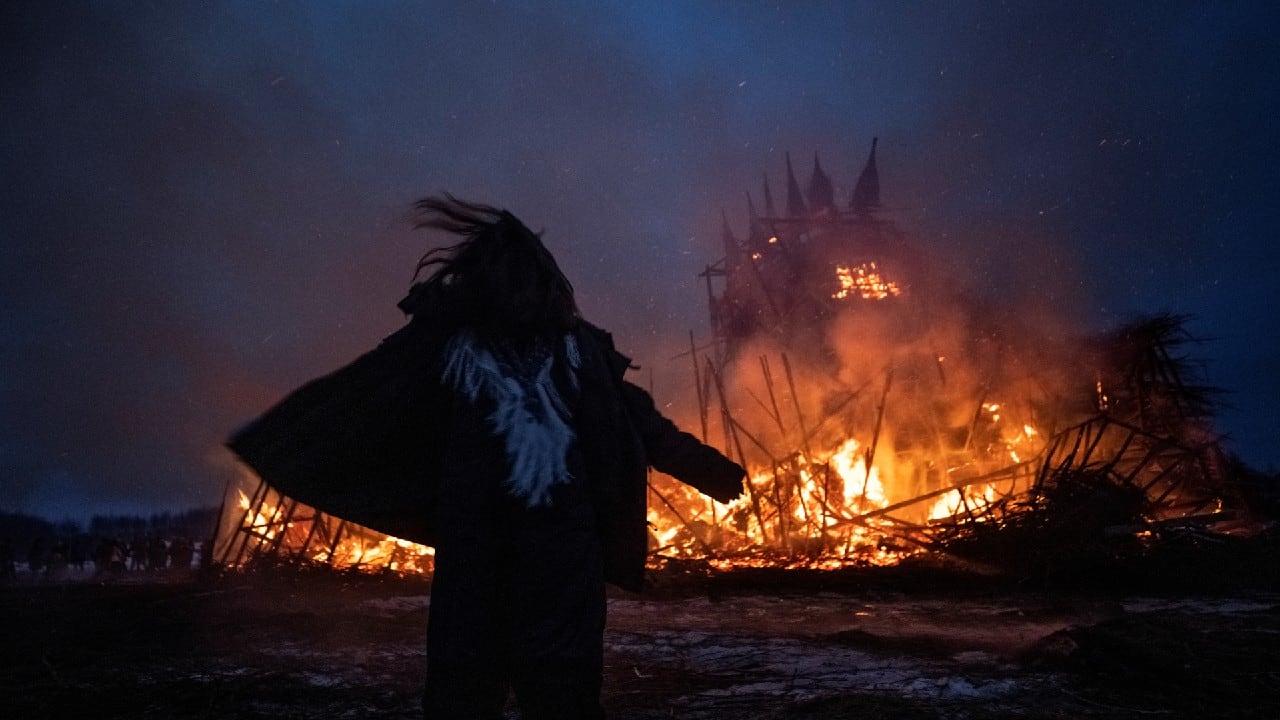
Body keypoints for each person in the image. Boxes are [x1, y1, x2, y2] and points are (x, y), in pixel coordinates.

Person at [229, 195, 745, 719]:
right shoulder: (447, 351)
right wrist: (285, 443)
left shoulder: (576, 353)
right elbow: (364, 400)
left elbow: (641, 425)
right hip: (489, 554)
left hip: (546, 556)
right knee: (475, 690)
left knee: (548, 692)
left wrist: (709, 469)